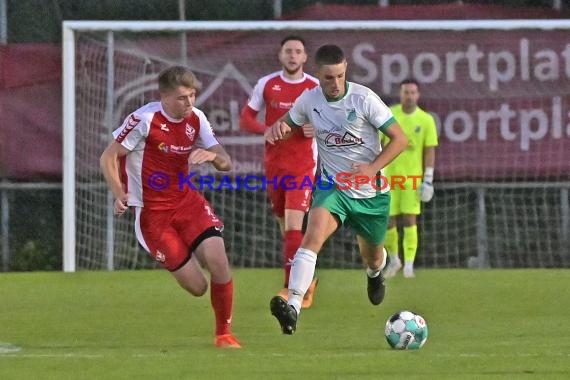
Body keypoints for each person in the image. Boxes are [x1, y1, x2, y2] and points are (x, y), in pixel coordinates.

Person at [265, 44, 408, 335]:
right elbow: (287, 123)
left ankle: (374, 274)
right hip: (334, 188)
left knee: (373, 256)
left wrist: (371, 168)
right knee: (311, 238)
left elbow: (399, 139)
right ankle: (293, 305)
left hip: (371, 194)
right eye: (329, 78)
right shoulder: (309, 100)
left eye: (341, 76)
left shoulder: (364, 98)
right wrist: (276, 128)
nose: (336, 83)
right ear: (317, 74)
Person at [100, 66, 241, 348]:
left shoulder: (197, 118)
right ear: (163, 97)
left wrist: (212, 155)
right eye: (181, 98)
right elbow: (108, 157)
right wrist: (120, 194)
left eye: (192, 96)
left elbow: (226, 162)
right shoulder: (144, 119)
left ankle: (224, 335)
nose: (189, 103)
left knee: (219, 261)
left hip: (187, 202)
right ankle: (179, 254)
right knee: (198, 287)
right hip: (153, 216)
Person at [240, 35, 319, 308]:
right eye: (288, 51)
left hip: (303, 166)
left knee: (295, 227)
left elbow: (335, 120)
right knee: (287, 231)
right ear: (280, 55)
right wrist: (267, 130)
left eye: (298, 51)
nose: (293, 56)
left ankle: (291, 291)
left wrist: (317, 127)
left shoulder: (315, 87)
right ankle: (307, 279)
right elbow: (246, 118)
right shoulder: (267, 84)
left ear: (305, 57)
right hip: (275, 166)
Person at [382, 79, 439, 279]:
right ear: (400, 94)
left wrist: (428, 178)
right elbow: (379, 143)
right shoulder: (390, 115)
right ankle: (394, 259)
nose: (409, 96)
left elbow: (429, 149)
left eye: (413, 92)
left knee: (409, 220)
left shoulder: (426, 120)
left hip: (412, 178)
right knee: (388, 220)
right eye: (406, 92)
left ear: (418, 95)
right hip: (389, 178)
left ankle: (409, 265)